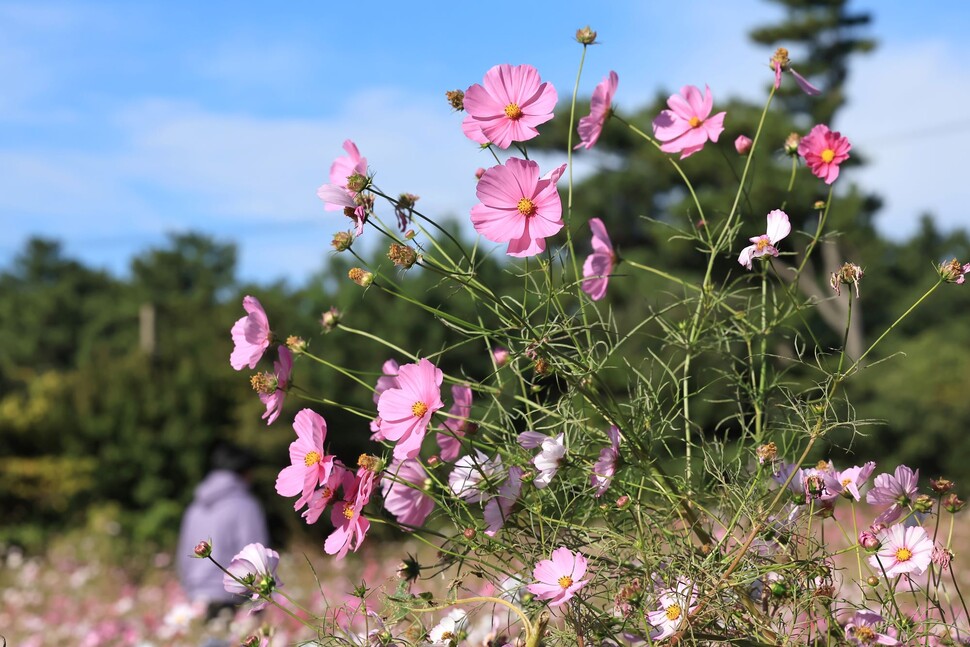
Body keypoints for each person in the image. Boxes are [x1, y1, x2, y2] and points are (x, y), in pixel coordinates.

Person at [177, 441, 270, 621]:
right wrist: (260, 599)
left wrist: (191, 590)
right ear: (244, 472)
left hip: (196, 600)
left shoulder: (195, 507)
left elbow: (183, 557)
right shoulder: (246, 506)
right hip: (232, 601)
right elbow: (257, 557)